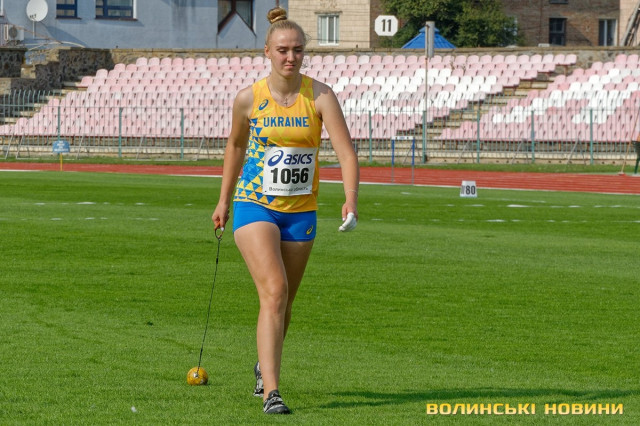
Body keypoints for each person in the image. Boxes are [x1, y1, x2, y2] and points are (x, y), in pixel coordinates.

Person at [211, 6, 359, 415]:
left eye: (297, 50)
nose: (290, 57)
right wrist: (224, 199)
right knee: (274, 290)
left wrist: (350, 197)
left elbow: (346, 153)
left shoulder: (321, 96)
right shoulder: (248, 99)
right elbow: (235, 147)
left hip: (301, 210)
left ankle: (264, 364)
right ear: (267, 52)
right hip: (254, 204)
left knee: (284, 301)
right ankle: (271, 391)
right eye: (282, 50)